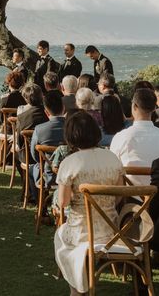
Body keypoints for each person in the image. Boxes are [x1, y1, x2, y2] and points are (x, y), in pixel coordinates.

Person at [54, 110, 124, 296]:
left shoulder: (69, 163)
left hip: (80, 232)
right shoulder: (113, 159)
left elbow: (62, 202)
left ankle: (76, 290)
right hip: (112, 231)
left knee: (60, 235)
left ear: (71, 136)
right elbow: (119, 196)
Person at [110, 87, 159, 185]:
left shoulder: (121, 137)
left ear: (134, 106)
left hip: (130, 196)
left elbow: (112, 170)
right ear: (154, 108)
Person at [15, 83, 47, 164]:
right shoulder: (48, 113)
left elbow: (19, 141)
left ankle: (25, 176)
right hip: (47, 155)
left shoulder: (22, 117)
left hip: (28, 156)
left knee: (15, 154)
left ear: (26, 99)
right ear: (41, 96)